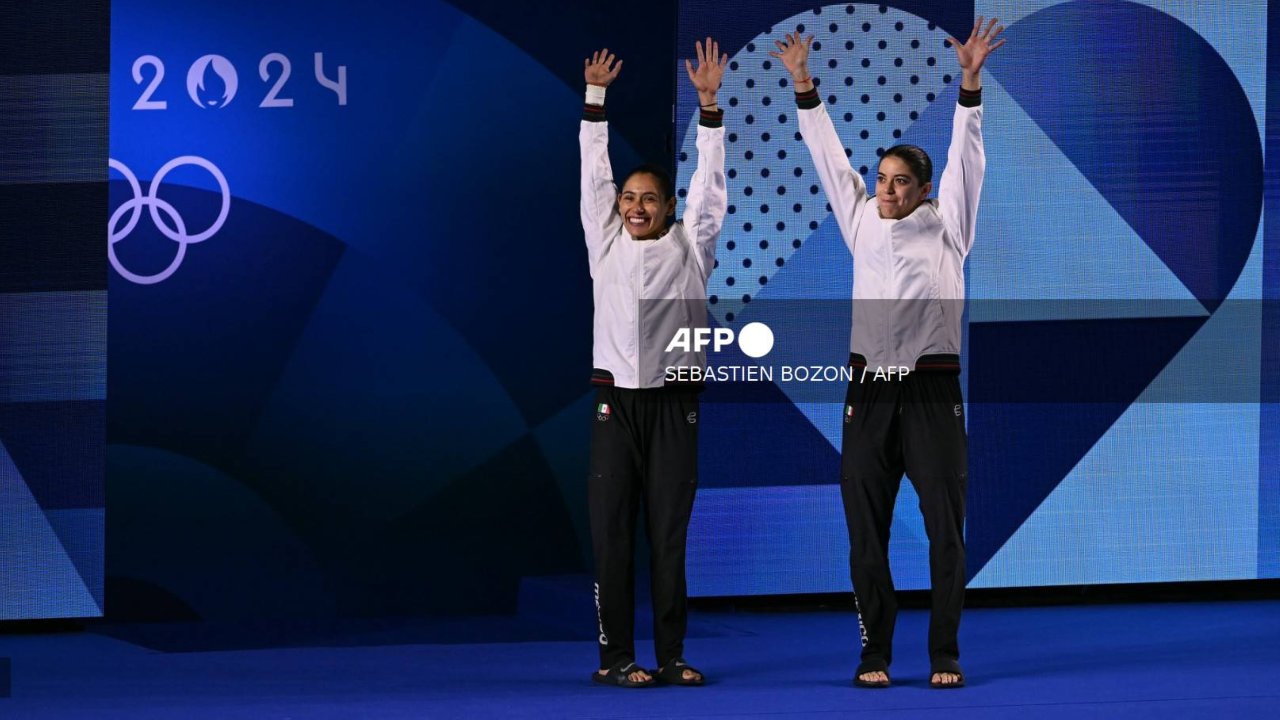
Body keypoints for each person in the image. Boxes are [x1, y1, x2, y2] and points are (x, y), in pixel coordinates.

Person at [770, 17, 1005, 689]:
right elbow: (827, 159)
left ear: (925, 190)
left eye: (902, 181)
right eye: (883, 178)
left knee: (945, 533)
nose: (888, 189)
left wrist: (969, 83)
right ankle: (874, 652)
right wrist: (803, 84)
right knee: (865, 535)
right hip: (869, 394)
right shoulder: (860, 222)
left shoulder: (949, 226)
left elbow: (968, 157)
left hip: (932, 394)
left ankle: (945, 653)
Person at [580, 39, 727, 688]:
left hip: (674, 406)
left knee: (668, 538)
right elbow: (593, 176)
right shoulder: (605, 244)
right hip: (617, 407)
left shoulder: (691, 248)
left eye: (649, 199)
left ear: (669, 207)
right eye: (629, 198)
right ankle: (616, 658)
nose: (635, 206)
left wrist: (709, 106)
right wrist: (594, 101)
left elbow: (711, 189)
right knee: (614, 537)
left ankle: (671, 656)